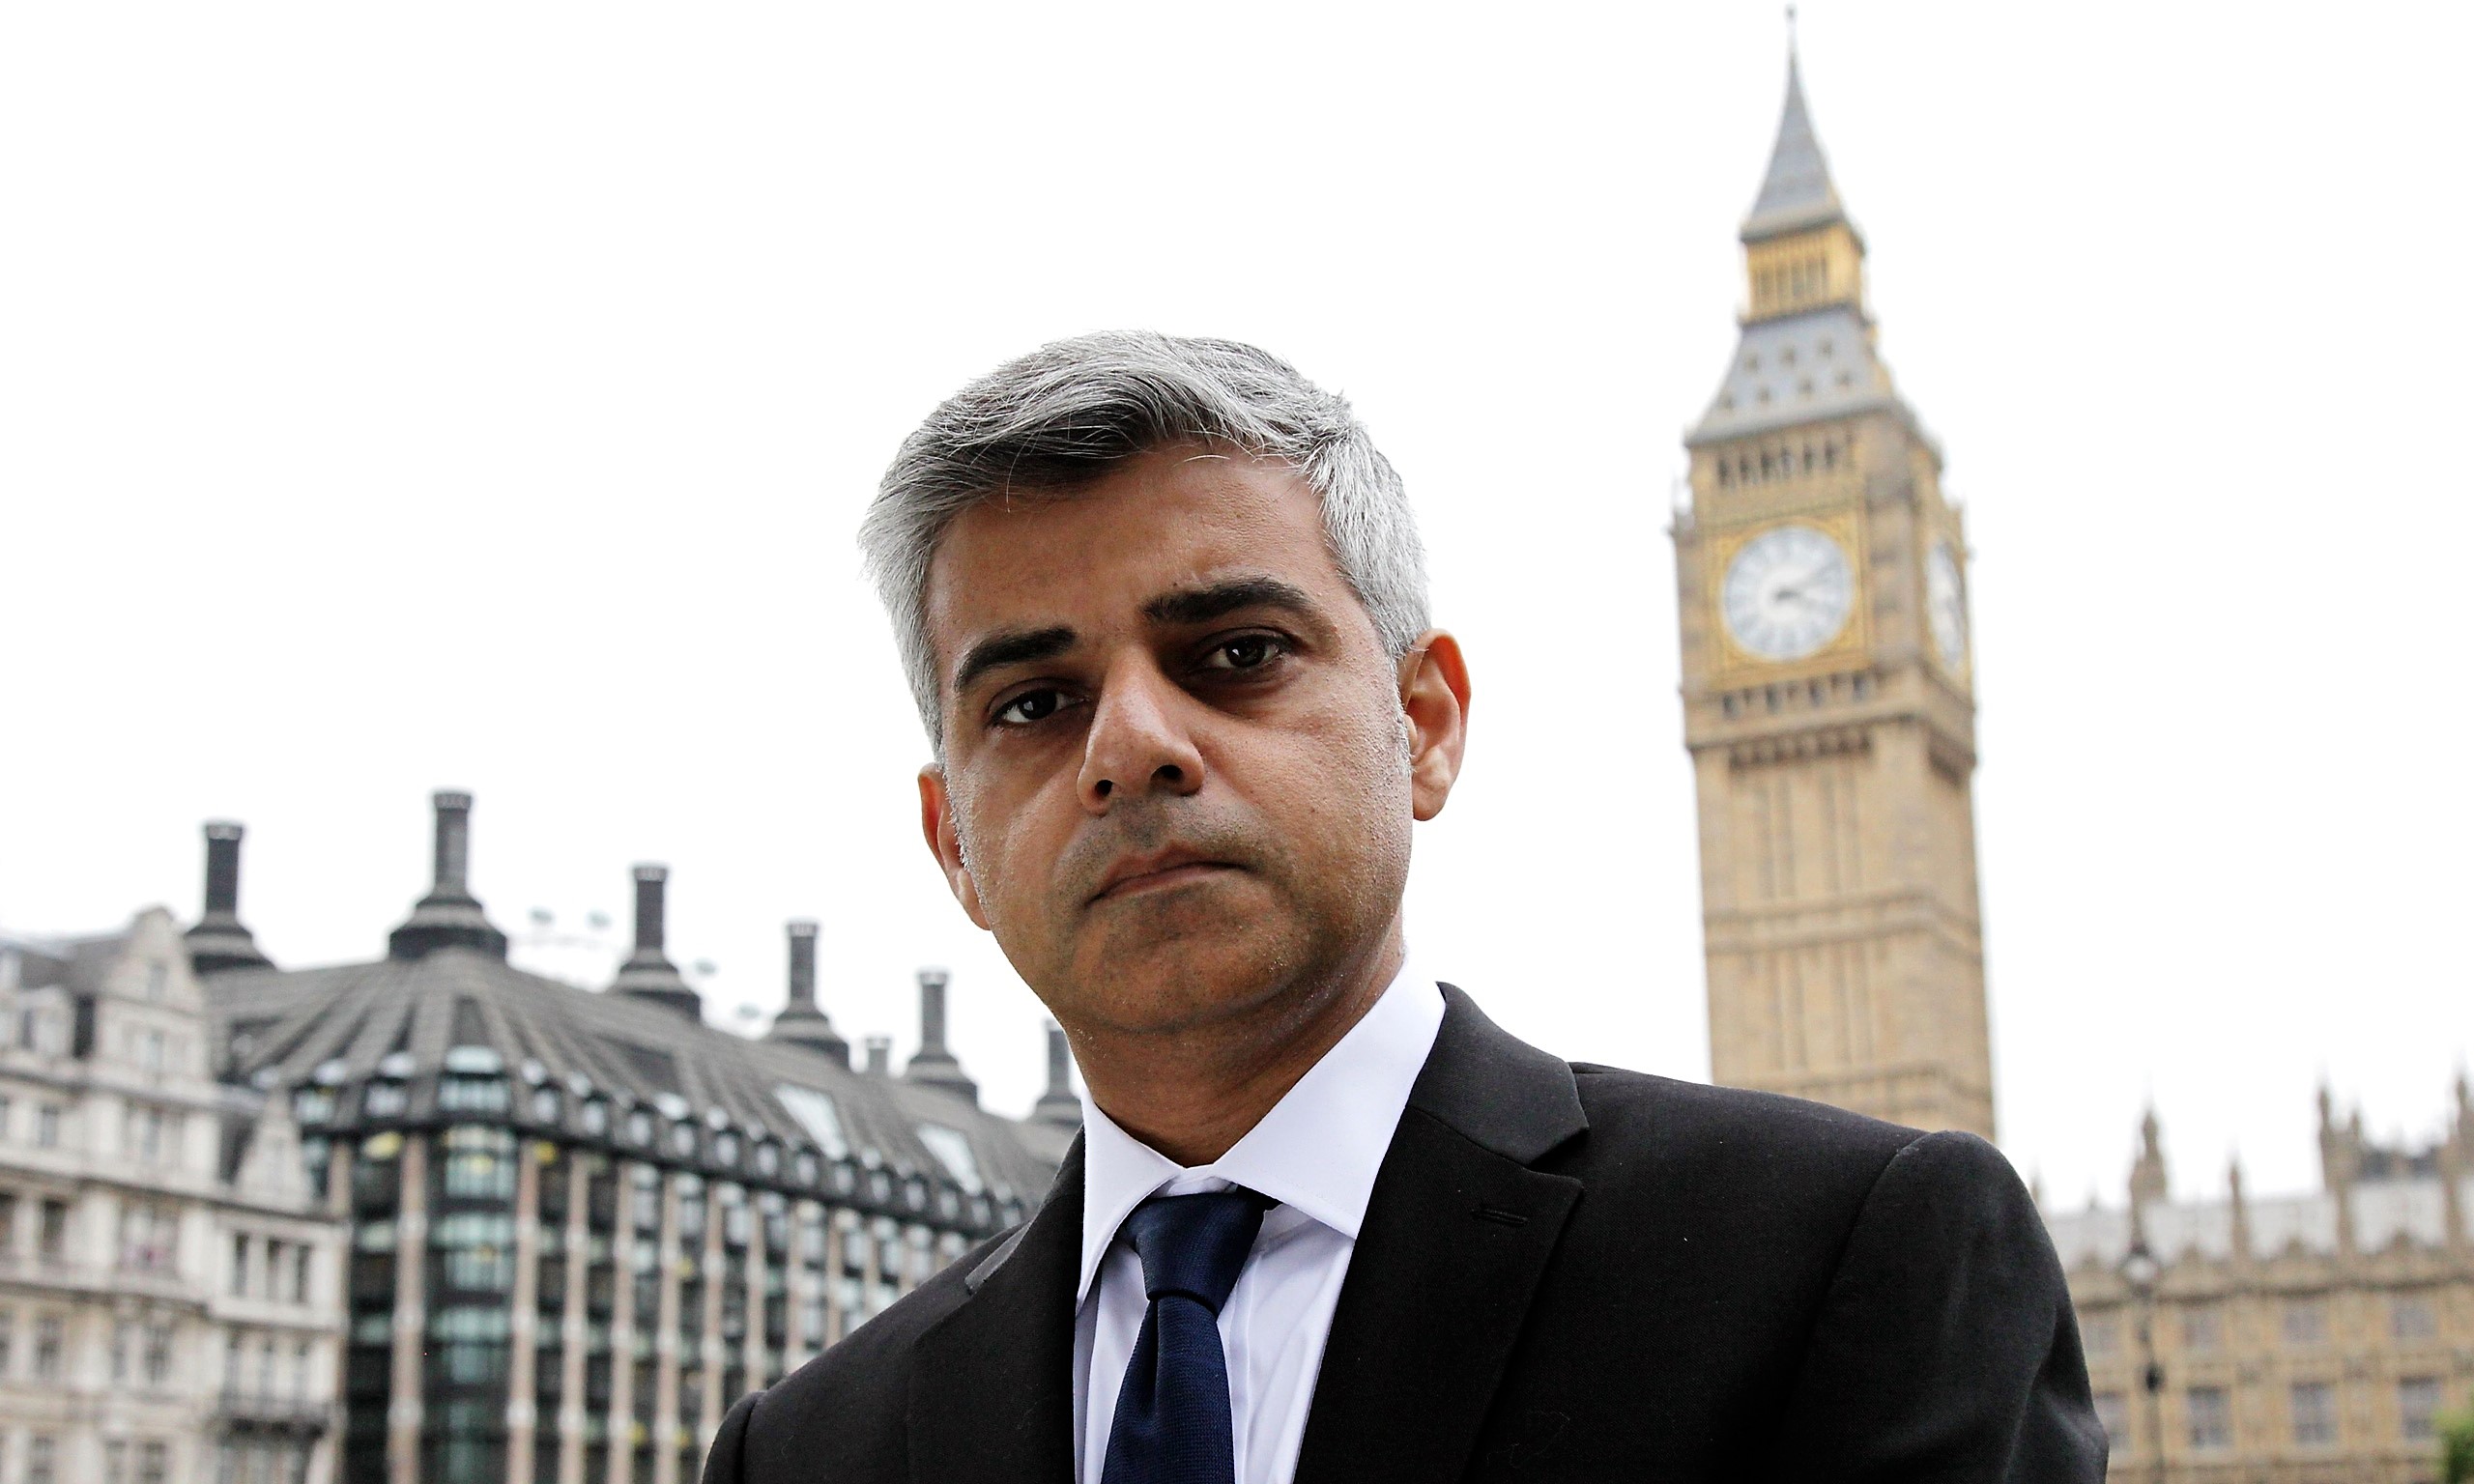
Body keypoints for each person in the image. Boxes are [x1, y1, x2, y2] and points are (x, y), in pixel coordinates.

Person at [704, 332, 2105, 1483]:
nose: (1129, 743)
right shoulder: (808, 1452)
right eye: (1032, 702)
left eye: (1236, 653)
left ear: (1424, 725)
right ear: (953, 843)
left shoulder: (1844, 1265)